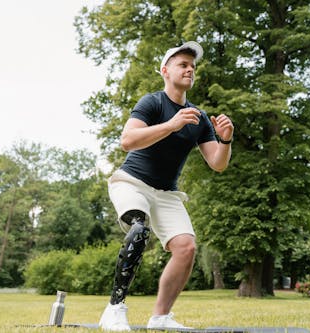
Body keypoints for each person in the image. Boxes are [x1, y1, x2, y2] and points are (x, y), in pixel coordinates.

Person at [99, 41, 234, 331]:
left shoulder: (197, 117)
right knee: (138, 229)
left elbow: (218, 163)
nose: (189, 70)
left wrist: (225, 140)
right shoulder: (153, 103)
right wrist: (171, 125)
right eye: (182, 65)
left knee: (186, 248)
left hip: (166, 193)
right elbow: (127, 141)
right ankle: (114, 309)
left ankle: (159, 318)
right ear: (165, 71)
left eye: (192, 67)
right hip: (131, 183)